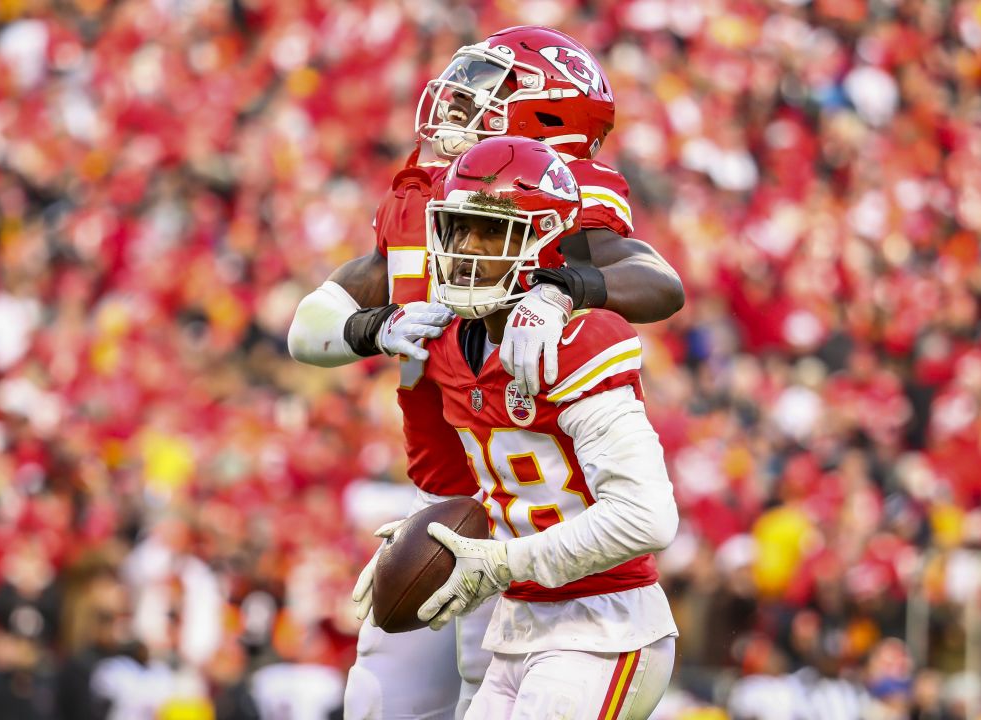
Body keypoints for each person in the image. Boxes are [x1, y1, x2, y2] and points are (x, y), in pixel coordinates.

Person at [287, 26, 684, 720]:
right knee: (380, 700)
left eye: (490, 91)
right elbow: (310, 325)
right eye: (456, 231)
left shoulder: (571, 232)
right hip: (453, 502)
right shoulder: (425, 210)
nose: (457, 103)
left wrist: (562, 289)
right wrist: (371, 327)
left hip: (550, 548)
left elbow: (656, 282)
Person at [411, 136, 679, 719]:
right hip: (516, 627)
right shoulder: (447, 343)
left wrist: (502, 563)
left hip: (604, 628)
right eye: (459, 230)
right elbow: (467, 486)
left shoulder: (580, 339)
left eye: (490, 232)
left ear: (544, 240)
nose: (467, 251)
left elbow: (646, 518)